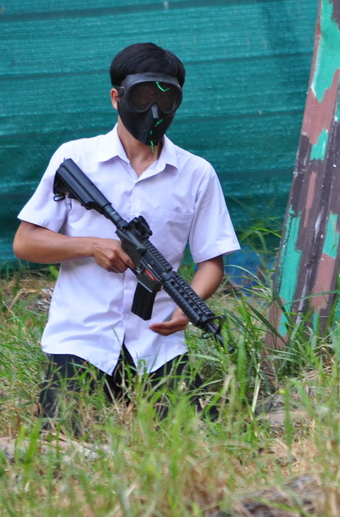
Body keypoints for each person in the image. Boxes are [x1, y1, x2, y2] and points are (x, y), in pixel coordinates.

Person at [13, 42, 240, 429]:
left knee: (197, 434)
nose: (154, 110)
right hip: (82, 339)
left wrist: (189, 306)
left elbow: (211, 262)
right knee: (61, 436)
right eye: (142, 96)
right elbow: (25, 242)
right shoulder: (76, 159)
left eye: (166, 99)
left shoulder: (197, 173)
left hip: (156, 343)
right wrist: (90, 246)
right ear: (116, 97)